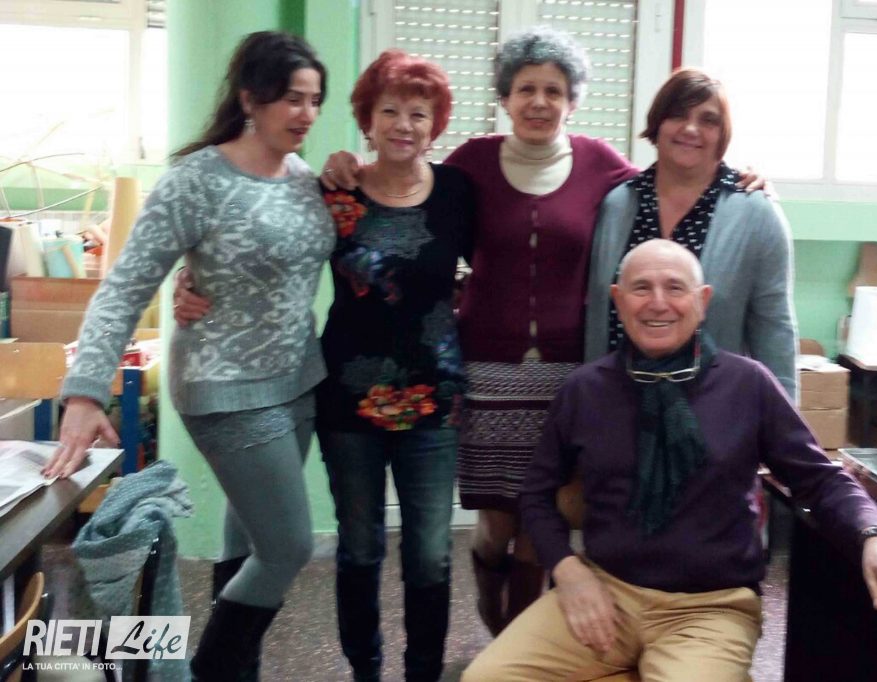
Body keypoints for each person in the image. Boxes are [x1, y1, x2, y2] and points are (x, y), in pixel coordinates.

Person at [321, 27, 768, 636]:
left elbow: (672, 173)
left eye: (554, 90)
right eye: (526, 88)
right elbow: (408, 185)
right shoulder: (471, 163)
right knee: (497, 521)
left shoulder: (601, 165)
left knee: (546, 515)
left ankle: (516, 643)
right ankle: (491, 598)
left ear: (572, 100)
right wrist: (348, 161)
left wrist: (740, 175)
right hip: (485, 365)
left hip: (567, 372)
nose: (539, 101)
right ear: (506, 97)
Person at [461, 239, 877, 682]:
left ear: (703, 300)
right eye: (641, 288)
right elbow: (537, 494)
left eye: (675, 287)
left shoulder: (748, 383)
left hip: (710, 606)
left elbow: (820, 479)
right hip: (607, 589)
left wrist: (874, 536)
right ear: (617, 300)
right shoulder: (585, 389)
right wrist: (568, 571)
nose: (657, 302)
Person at [175, 49, 474, 682]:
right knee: (359, 548)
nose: (403, 124)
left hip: (434, 399)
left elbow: (504, 260)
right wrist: (192, 280)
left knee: (430, 553)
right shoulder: (333, 190)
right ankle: (364, 670)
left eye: (418, 113)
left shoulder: (457, 193)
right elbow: (254, 245)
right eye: (389, 110)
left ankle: (422, 673)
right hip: (346, 399)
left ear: (436, 124)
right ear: (367, 119)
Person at [43, 31, 334, 681]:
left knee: (250, 540)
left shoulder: (303, 178)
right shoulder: (196, 181)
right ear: (250, 99)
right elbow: (124, 286)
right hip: (224, 388)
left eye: (315, 100)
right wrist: (85, 391)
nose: (307, 114)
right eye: (292, 98)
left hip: (298, 382)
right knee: (287, 548)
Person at [586, 67, 797, 398]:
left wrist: (783, 417)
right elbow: (599, 313)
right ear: (658, 123)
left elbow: (775, 331)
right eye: (678, 115)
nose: (690, 128)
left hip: (715, 409)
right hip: (618, 403)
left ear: (722, 135)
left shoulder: (757, 215)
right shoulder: (617, 204)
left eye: (708, 120)